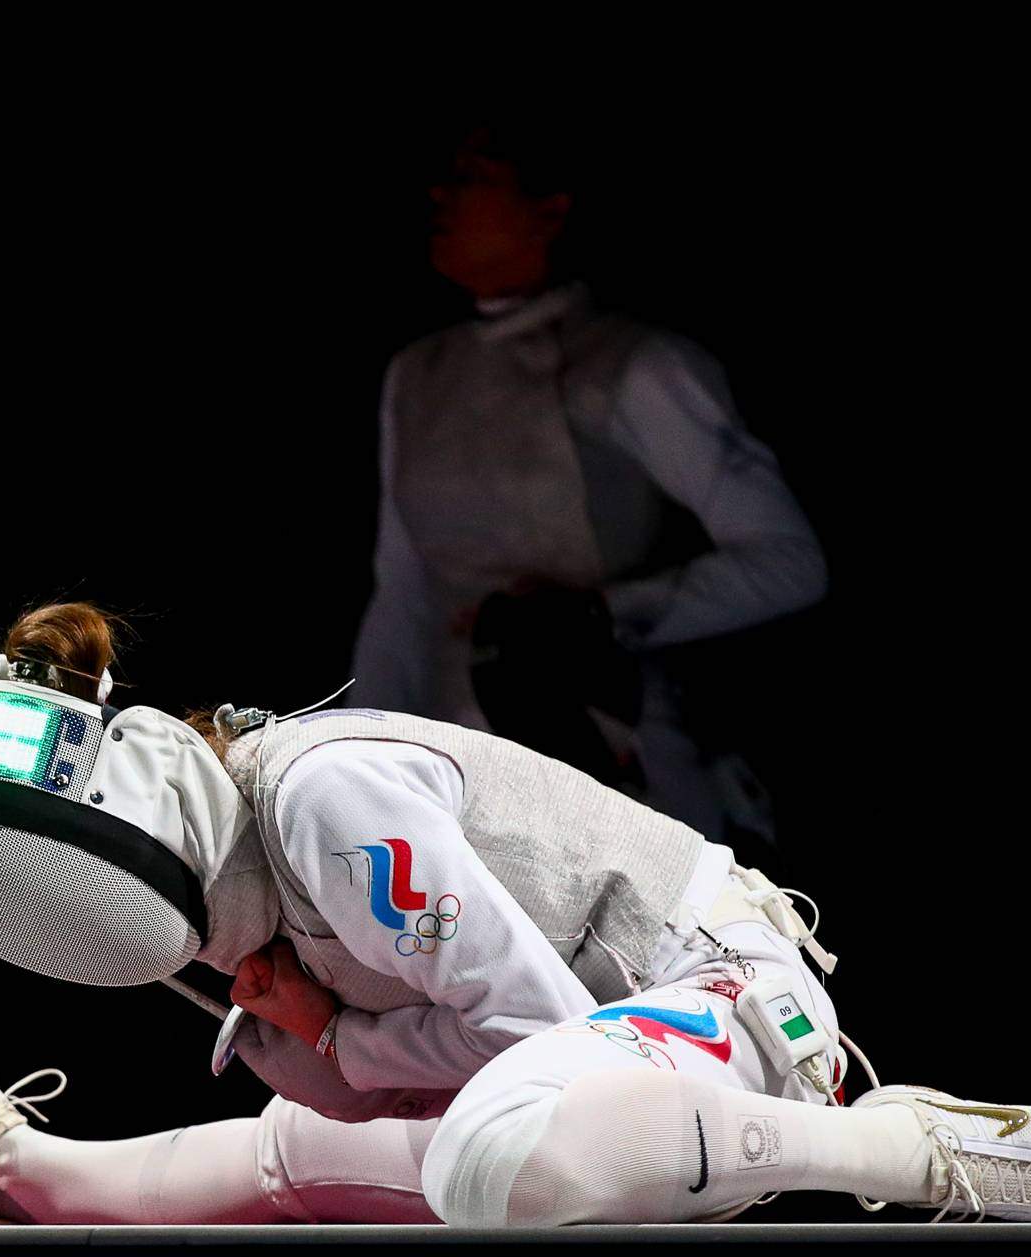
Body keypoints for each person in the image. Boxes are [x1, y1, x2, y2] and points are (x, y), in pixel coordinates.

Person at [0, 602, 1031, 1226]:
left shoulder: (322, 800)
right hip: (604, 1082)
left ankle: (903, 1149)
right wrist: (327, 1050)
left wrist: (342, 1039)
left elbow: (536, 1025)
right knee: (305, 1151)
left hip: (723, 1005)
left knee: (484, 1157)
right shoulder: (263, 873)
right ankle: (9, 1169)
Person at [352, 124, 828, 843]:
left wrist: (599, 613)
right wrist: (355, 759)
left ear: (551, 208)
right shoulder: (418, 374)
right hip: (457, 769)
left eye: (473, 177)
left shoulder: (634, 366)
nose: (441, 195)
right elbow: (403, 594)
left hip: (616, 757)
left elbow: (790, 561)